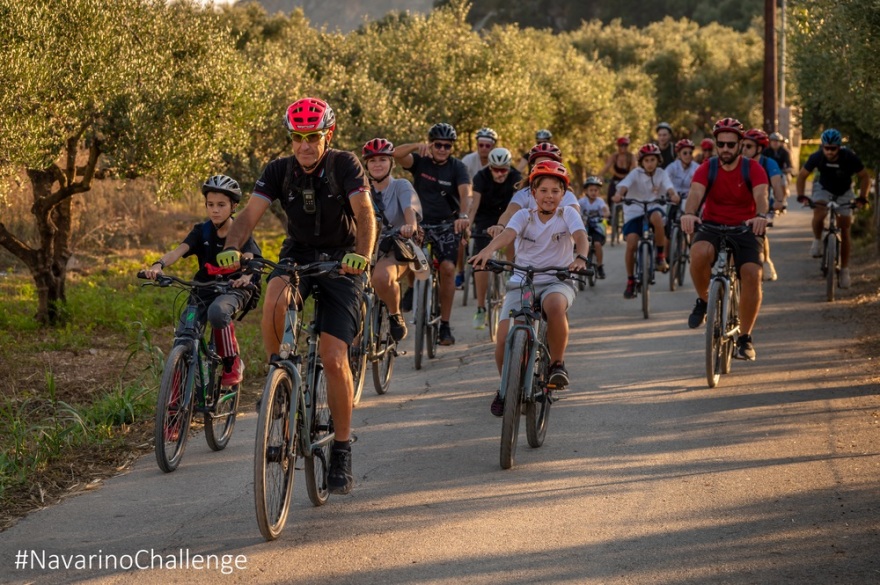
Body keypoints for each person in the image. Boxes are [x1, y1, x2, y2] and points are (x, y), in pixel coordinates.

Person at [217, 97, 375, 495]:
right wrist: (232, 244)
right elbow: (248, 215)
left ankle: (341, 448)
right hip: (299, 257)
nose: (305, 145)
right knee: (274, 297)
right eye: (298, 137)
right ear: (291, 138)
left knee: (334, 357)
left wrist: (362, 255)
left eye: (313, 137)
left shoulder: (345, 165)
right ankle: (280, 378)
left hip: (343, 261)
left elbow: (365, 214)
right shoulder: (278, 170)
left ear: (328, 135)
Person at [469, 160, 590, 416]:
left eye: (555, 191)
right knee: (503, 340)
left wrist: (580, 257)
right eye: (543, 190)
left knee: (554, 305)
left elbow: (581, 236)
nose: (549, 196)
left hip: (558, 279)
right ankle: (507, 389)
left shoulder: (568, 213)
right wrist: (488, 250)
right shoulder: (523, 215)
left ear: (563, 194)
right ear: (533, 193)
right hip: (523, 282)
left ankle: (557, 365)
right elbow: (507, 235)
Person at [144, 175, 260, 388]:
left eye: (221, 205)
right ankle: (175, 403)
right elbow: (178, 251)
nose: (215, 210)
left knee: (218, 312)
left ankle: (231, 361)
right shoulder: (202, 231)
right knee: (183, 335)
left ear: (234, 206)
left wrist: (246, 275)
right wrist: (158, 265)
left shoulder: (241, 233)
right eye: (210, 205)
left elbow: (253, 259)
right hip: (203, 289)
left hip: (234, 289)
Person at [681, 117, 769, 361]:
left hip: (745, 227)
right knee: (698, 254)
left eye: (731, 144)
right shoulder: (707, 167)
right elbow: (695, 194)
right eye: (721, 144)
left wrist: (761, 215)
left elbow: (762, 195)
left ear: (741, 144)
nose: (726, 149)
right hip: (712, 225)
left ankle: (745, 338)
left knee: (752, 274)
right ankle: (704, 300)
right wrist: (689, 213)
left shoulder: (752, 168)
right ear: (716, 145)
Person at [394, 122, 472, 345]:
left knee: (447, 268)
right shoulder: (421, 162)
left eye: (447, 146)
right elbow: (396, 154)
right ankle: (412, 287)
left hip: (448, 224)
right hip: (420, 223)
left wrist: (464, 216)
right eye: (438, 145)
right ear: (431, 143)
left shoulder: (457, 168)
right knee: (408, 253)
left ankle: (445, 325)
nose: (442, 149)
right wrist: (416, 146)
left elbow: (465, 193)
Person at [363, 138, 423, 341]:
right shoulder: (360, 191)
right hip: (366, 248)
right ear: (366, 165)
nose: (377, 164)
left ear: (392, 163)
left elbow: (409, 210)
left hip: (396, 246)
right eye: (372, 161)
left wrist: (410, 226)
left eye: (382, 159)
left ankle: (395, 314)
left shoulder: (401, 185)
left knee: (381, 278)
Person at [796, 128, 870, 289]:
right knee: (819, 211)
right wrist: (801, 195)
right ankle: (817, 241)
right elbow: (802, 176)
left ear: (839, 147)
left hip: (844, 191)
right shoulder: (817, 157)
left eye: (833, 148)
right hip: (824, 188)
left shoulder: (849, 157)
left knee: (845, 229)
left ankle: (844, 270)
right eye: (826, 148)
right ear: (822, 146)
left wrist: (862, 197)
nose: (829, 152)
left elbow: (864, 176)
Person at [612, 143, 679, 299]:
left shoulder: (661, 173)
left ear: (658, 160)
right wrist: (618, 195)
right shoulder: (635, 173)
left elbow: (669, 187)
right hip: (634, 210)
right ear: (641, 162)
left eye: (652, 160)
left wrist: (673, 195)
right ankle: (630, 280)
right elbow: (623, 186)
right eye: (647, 160)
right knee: (632, 243)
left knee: (657, 217)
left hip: (654, 207)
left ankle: (660, 257)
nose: (650, 163)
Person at [466, 147, 522, 329]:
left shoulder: (515, 177)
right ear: (490, 167)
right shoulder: (480, 177)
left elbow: (517, 205)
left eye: (503, 169)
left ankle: (509, 269)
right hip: (484, 219)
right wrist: (468, 226)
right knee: (480, 263)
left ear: (509, 167)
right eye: (496, 169)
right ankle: (481, 308)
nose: (500, 173)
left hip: (507, 216)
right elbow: (474, 206)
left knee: (513, 236)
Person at [490, 142, 580, 237]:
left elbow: (574, 213)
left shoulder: (566, 195)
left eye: (549, 165)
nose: (544, 170)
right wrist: (500, 226)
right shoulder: (524, 193)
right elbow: (510, 212)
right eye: (539, 165)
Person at [741, 129, 787, 281]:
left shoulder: (769, 163)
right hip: (741, 204)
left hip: (763, 204)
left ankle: (766, 261)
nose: (744, 149)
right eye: (743, 145)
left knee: (759, 231)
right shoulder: (738, 162)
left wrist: (779, 201)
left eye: (748, 146)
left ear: (759, 149)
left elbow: (776, 183)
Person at [578, 176, 610, 279]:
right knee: (583, 243)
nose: (593, 192)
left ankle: (600, 266)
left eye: (595, 190)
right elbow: (576, 208)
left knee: (597, 244)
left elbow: (605, 209)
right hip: (585, 226)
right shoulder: (582, 201)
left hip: (596, 226)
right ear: (586, 191)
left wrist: (606, 213)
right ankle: (582, 262)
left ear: (598, 191)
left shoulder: (599, 201)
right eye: (591, 190)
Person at [665, 138, 698, 227]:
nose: (688, 155)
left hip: (688, 199)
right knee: (665, 221)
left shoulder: (697, 168)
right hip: (673, 199)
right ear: (679, 154)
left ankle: (692, 240)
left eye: (690, 153)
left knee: (693, 222)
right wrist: (671, 194)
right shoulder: (672, 167)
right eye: (685, 153)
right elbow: (664, 179)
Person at [599, 136, 636, 205]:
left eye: (625, 145)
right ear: (618, 146)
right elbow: (606, 167)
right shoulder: (614, 156)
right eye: (621, 145)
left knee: (629, 199)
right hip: (615, 180)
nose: (623, 147)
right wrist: (600, 176)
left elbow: (634, 170)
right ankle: (610, 213)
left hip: (627, 180)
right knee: (610, 195)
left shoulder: (631, 157)